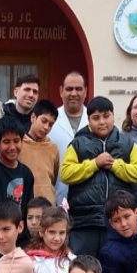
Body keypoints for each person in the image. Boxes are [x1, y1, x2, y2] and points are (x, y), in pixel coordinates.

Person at [61, 97, 137, 257]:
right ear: (88, 120)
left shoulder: (128, 144)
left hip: (117, 220)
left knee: (113, 270)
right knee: (83, 269)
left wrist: (115, 165)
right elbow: (66, 173)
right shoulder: (77, 143)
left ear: (113, 116)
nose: (102, 122)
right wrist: (94, 164)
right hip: (84, 223)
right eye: (96, 118)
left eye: (106, 116)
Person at [48, 72, 88, 204]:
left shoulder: (94, 119)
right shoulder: (50, 121)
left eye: (78, 89)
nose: (74, 93)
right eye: (69, 89)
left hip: (88, 197)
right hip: (57, 195)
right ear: (61, 91)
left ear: (85, 91)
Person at [21, 100, 60, 206]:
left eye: (51, 124)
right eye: (44, 121)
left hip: (48, 206)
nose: (46, 127)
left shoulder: (53, 148)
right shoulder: (19, 145)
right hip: (25, 204)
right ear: (33, 117)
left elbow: (53, 179)